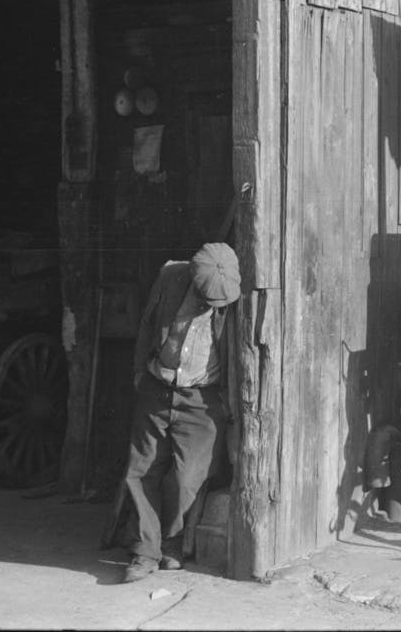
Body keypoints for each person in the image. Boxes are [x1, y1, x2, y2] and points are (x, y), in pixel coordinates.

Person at [121, 242, 240, 583]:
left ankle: (171, 544)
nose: (210, 305)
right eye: (205, 297)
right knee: (141, 470)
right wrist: (139, 372)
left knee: (188, 479)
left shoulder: (235, 292)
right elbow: (147, 323)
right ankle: (144, 552)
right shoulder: (171, 276)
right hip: (157, 388)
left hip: (201, 399)